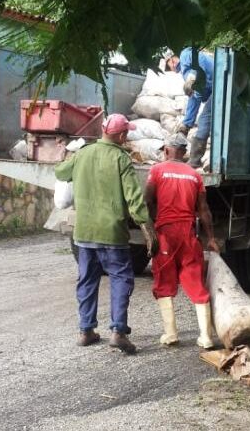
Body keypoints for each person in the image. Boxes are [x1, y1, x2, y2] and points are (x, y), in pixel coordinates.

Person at [54, 113, 158, 354]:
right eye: (126, 134)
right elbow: (134, 198)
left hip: (84, 233)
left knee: (87, 279)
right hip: (111, 234)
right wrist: (147, 228)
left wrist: (65, 156)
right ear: (121, 135)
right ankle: (118, 332)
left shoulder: (82, 154)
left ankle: (86, 330)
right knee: (121, 279)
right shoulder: (121, 159)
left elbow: (60, 173)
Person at [144, 133, 220, 349]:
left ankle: (171, 334)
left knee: (164, 281)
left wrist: (154, 223)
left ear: (166, 151)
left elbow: (148, 200)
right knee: (195, 279)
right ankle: (206, 337)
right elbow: (204, 210)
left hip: (166, 234)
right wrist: (211, 239)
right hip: (189, 233)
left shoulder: (157, 170)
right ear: (185, 153)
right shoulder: (195, 175)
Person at [165, 47, 214, 168]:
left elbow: (196, 63)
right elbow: (195, 98)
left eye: (168, 66)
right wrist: (187, 124)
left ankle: (194, 161)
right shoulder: (185, 73)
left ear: (172, 61)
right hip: (216, 90)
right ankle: (195, 160)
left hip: (220, 87)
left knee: (204, 120)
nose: (171, 69)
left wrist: (192, 77)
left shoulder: (185, 54)